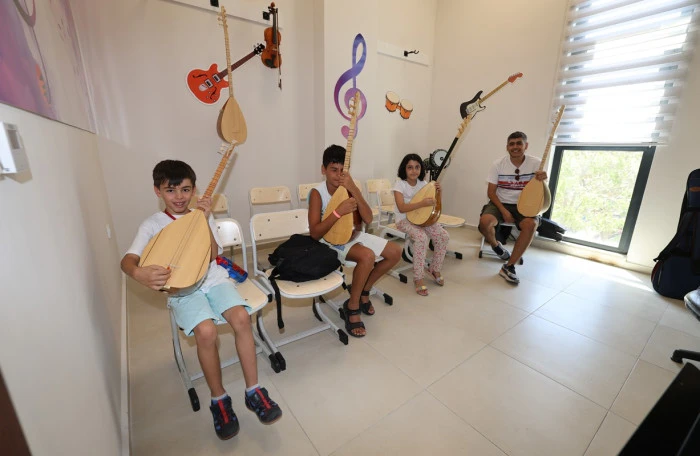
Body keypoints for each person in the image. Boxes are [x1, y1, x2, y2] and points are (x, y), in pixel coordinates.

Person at [120, 160, 282, 441]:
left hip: (213, 278)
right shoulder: (153, 224)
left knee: (241, 318)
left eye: (185, 190)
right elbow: (127, 260)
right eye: (171, 190)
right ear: (158, 191)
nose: (179, 197)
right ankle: (219, 399)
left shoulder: (202, 215)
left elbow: (214, 253)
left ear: (194, 190)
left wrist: (205, 218)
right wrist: (138, 273)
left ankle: (253, 390)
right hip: (182, 289)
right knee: (206, 332)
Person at [308, 145, 401, 337]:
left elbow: (368, 218)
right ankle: (352, 305)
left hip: (353, 236)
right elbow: (315, 234)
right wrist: (338, 212)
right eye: (333, 170)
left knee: (395, 252)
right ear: (323, 170)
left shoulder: (350, 187)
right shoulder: (318, 193)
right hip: (329, 241)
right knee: (367, 256)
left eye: (343, 170)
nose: (338, 175)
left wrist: (354, 190)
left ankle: (364, 291)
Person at [478, 131, 547, 284]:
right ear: (507, 147)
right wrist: (504, 211)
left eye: (519, 143)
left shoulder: (536, 164)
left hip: (526, 205)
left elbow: (541, 192)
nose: (515, 147)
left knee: (531, 224)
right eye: (512, 144)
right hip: (501, 203)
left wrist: (543, 179)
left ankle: (509, 266)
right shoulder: (498, 164)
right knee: (484, 222)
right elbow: (491, 193)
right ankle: (496, 246)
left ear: (526, 146)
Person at [392, 153, 450, 296]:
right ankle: (418, 278)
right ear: (404, 169)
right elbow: (401, 208)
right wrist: (422, 203)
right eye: (410, 167)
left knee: (443, 236)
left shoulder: (424, 184)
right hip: (403, 220)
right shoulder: (400, 184)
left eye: (417, 167)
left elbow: (433, 204)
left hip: (423, 220)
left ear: (421, 169)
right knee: (421, 237)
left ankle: (434, 269)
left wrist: (439, 192)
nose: (414, 171)